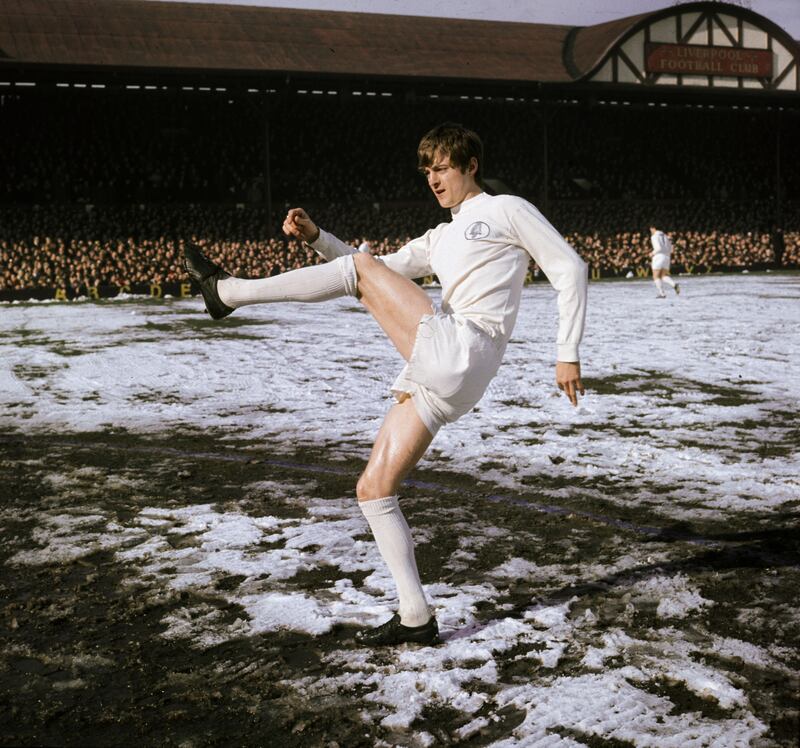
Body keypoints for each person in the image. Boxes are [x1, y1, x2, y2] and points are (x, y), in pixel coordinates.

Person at [184, 123, 588, 647]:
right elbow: (376, 271)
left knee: (359, 268)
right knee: (373, 489)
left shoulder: (506, 208)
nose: (433, 179)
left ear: (471, 166)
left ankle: (228, 292)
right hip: (446, 374)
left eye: (442, 168)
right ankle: (416, 616)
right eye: (427, 171)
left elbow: (570, 268)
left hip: (464, 347)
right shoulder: (439, 237)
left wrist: (567, 353)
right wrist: (318, 238)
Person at [649, 226, 680, 297]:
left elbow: (658, 248)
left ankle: (662, 293)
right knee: (663, 276)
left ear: (653, 228)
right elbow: (671, 249)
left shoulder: (654, 236)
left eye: (650, 229)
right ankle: (674, 285)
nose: (650, 231)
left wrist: (652, 253)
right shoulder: (665, 236)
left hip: (658, 257)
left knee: (656, 276)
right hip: (667, 257)